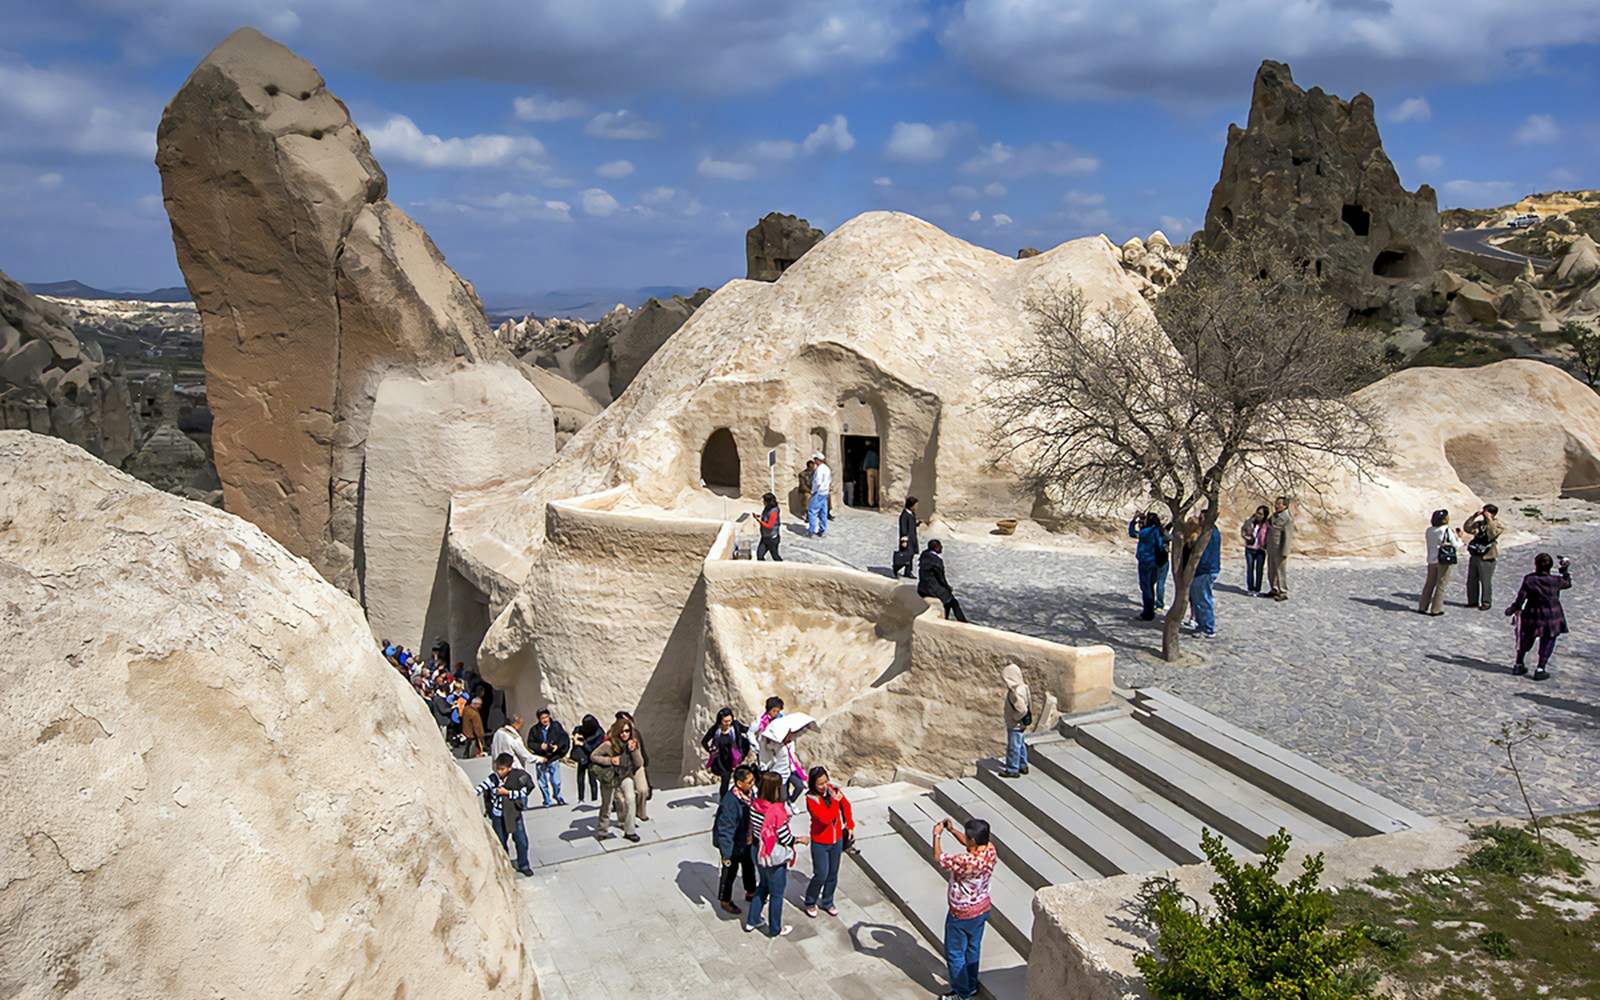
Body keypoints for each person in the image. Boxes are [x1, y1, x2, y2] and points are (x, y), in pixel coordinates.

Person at [934, 817, 998, 1000]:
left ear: (974, 840)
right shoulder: (990, 850)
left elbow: (940, 858)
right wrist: (952, 831)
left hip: (961, 914)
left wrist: (937, 836)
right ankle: (970, 984)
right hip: (982, 909)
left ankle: (962, 994)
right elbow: (970, 845)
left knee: (955, 954)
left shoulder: (965, 861)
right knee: (972, 947)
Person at [745, 770, 807, 938]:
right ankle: (775, 929)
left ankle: (752, 919)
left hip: (758, 851)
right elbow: (785, 837)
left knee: (763, 885)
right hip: (773, 856)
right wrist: (799, 840)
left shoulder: (755, 805)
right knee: (777, 894)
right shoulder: (777, 811)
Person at [1506, 553, 1573, 681]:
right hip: (1551, 615)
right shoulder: (1555, 581)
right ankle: (1540, 668)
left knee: (1525, 638)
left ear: (1536, 565)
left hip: (1532, 613)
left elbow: (1521, 597)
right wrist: (1565, 570)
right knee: (1548, 640)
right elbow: (1567, 583)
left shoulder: (1530, 579)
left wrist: (1513, 608)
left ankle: (1519, 663)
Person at [803, 766, 854, 917]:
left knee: (833, 873)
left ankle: (828, 900)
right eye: (820, 783)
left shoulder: (832, 791)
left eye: (826, 781)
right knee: (821, 874)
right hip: (820, 842)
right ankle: (810, 901)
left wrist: (849, 825)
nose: (824, 786)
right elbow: (825, 818)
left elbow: (845, 805)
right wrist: (834, 801)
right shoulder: (811, 799)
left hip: (836, 840)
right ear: (813, 784)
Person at [473, 753, 534, 876]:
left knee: (521, 840)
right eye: (498, 769)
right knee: (500, 842)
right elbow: (481, 788)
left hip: (513, 813)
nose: (500, 772)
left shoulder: (518, 777)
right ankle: (504, 865)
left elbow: (524, 792)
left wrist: (507, 793)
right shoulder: (493, 778)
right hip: (498, 815)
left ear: (509, 768)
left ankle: (523, 864)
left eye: (502, 769)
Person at [712, 765, 758, 914]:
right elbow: (726, 830)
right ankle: (725, 900)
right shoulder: (730, 802)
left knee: (749, 867)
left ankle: (751, 892)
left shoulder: (750, 794)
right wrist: (726, 854)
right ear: (739, 783)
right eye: (749, 782)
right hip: (733, 845)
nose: (753, 784)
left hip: (747, 840)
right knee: (729, 873)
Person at [590, 717, 643, 842]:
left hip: (625, 775)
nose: (624, 734)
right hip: (610, 777)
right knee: (607, 804)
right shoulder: (609, 744)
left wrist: (633, 750)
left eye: (627, 731)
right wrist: (610, 760)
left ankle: (630, 831)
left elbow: (639, 763)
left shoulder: (633, 743)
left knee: (630, 800)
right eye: (622, 731)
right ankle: (603, 830)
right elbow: (594, 756)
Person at [1417, 509, 1462, 616]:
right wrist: (1459, 538)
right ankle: (1436, 609)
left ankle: (1423, 606)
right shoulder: (1446, 530)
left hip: (1431, 560)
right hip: (1443, 560)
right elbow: (1455, 545)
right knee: (1441, 585)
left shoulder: (1429, 530)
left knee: (1429, 584)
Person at [701, 707, 751, 797]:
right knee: (725, 778)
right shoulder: (716, 729)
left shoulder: (735, 725)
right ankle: (723, 799)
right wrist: (710, 750)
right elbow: (704, 741)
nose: (728, 723)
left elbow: (747, 730)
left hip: (735, 758)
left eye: (729, 720)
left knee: (740, 777)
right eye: (725, 721)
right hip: (721, 759)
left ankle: (741, 796)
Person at [1463, 504, 1504, 610]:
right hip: (1475, 554)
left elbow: (1492, 533)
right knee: (1472, 579)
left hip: (1487, 556)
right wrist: (1473, 517)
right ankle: (1472, 600)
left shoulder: (1498, 525)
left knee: (1485, 581)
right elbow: (1467, 528)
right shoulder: (1479, 524)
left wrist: (1489, 519)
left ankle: (1486, 602)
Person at [1128, 511, 1167, 620]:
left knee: (1146, 587)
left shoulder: (1145, 532)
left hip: (1145, 562)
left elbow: (1132, 533)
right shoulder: (1157, 530)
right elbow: (1159, 544)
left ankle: (1148, 612)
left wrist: (1133, 521)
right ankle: (1150, 610)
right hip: (1154, 562)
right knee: (1150, 586)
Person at [1186, 516, 1222, 637]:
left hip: (1205, 570)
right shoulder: (1212, 531)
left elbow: (1204, 554)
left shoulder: (1208, 533)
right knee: (1200, 599)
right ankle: (1202, 624)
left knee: (1203, 599)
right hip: (1208, 569)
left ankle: (1207, 628)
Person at [528, 708, 570, 807]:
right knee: (542, 781)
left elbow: (564, 738)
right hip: (541, 758)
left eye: (546, 717)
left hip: (553, 757)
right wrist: (539, 746)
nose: (545, 720)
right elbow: (530, 743)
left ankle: (557, 795)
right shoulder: (534, 730)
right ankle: (547, 800)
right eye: (542, 718)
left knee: (556, 781)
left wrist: (557, 746)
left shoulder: (556, 726)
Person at [615, 711, 652, 822]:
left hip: (636, 765)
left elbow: (642, 748)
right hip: (622, 767)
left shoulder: (636, 733)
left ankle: (640, 812)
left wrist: (645, 759)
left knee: (643, 790)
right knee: (621, 797)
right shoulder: (613, 735)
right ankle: (623, 819)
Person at [919, 539, 968, 622]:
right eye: (940, 546)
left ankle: (946, 617)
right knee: (952, 601)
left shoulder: (925, 555)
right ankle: (962, 621)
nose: (941, 548)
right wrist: (948, 587)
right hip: (932, 588)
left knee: (947, 598)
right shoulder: (936, 561)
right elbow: (941, 578)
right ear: (936, 548)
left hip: (923, 586)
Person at [998, 663, 1032, 779]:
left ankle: (1012, 769)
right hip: (1022, 724)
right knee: (1021, 744)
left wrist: (1015, 718)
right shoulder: (1024, 687)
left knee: (1014, 746)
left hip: (1015, 724)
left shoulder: (1014, 692)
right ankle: (1023, 765)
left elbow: (1022, 709)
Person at [1265, 496, 1295, 601]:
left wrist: (1285, 551)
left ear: (1285, 506)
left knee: (1280, 570)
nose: (1276, 506)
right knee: (1271, 569)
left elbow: (1288, 536)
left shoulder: (1287, 519)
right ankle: (1274, 589)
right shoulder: (1274, 516)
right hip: (1271, 547)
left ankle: (1282, 591)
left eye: (1279, 504)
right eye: (1276, 503)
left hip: (1280, 548)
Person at [570, 714, 605, 803]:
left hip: (592, 757)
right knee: (580, 778)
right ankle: (581, 798)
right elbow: (577, 729)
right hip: (582, 756)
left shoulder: (599, 733)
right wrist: (576, 735)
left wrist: (582, 744)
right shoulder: (584, 728)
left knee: (592, 779)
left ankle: (594, 798)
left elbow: (594, 749)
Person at [1241, 505, 1270, 597]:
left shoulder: (1267, 525)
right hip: (1250, 548)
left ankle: (1257, 589)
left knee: (1259, 570)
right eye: (1257, 512)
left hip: (1260, 549)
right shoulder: (1250, 521)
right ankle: (1250, 588)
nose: (1258, 515)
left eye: (1261, 514)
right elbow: (1243, 531)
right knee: (1250, 568)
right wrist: (1247, 537)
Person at [894, 496, 921, 580]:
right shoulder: (904, 515)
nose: (917, 506)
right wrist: (904, 540)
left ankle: (908, 571)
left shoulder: (911, 514)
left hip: (912, 538)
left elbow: (911, 525)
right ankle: (897, 567)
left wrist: (917, 523)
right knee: (906, 555)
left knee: (911, 555)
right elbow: (903, 528)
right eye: (916, 505)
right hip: (907, 539)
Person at [808, 451, 832, 537]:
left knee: (812, 511)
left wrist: (813, 491)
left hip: (818, 492)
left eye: (815, 459)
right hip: (825, 492)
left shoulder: (819, 469)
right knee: (823, 511)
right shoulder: (827, 468)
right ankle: (822, 529)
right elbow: (829, 480)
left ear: (818, 460)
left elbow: (817, 482)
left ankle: (811, 530)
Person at [755, 492, 783, 562]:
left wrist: (759, 521)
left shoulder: (773, 512)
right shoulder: (767, 508)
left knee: (775, 556)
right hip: (765, 536)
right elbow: (766, 518)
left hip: (772, 538)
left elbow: (770, 526)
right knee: (760, 555)